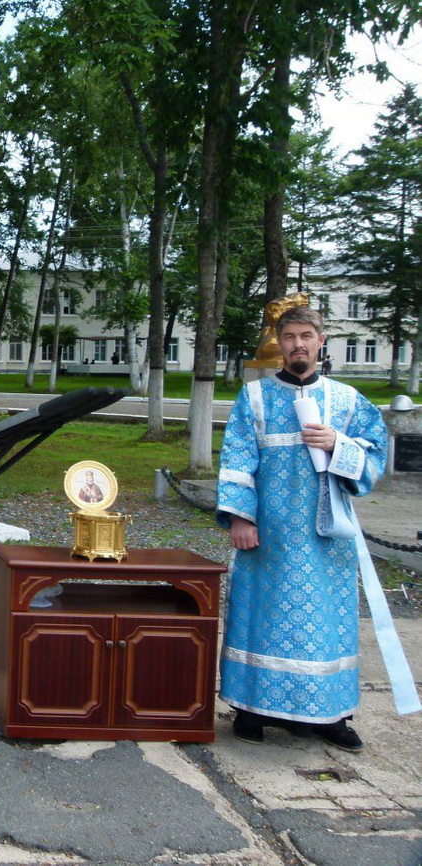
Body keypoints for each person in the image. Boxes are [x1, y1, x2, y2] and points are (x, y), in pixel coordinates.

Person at [216, 306, 388, 751]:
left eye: (306, 335)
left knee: (323, 623)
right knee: (262, 618)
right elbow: (237, 457)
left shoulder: (347, 400)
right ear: (280, 342)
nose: (298, 344)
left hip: (324, 538)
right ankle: (251, 709)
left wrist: (339, 444)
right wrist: (240, 516)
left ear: (321, 340)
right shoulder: (254, 397)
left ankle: (329, 715)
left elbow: (375, 455)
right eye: (289, 336)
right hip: (268, 534)